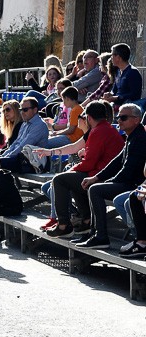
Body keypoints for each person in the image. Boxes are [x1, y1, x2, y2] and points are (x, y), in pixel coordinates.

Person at [38, 101, 123, 238]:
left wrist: (70, 171)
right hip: (104, 174)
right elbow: (80, 153)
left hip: (104, 177)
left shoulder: (98, 131)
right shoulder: (105, 128)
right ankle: (86, 220)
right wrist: (51, 153)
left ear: (89, 118)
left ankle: (63, 225)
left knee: (60, 180)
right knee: (73, 179)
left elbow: (89, 163)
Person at [74, 103, 146, 249]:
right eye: (118, 117)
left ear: (136, 120)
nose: (119, 120)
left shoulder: (140, 138)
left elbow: (128, 171)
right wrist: (96, 178)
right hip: (129, 182)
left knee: (95, 190)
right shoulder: (132, 136)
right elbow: (116, 162)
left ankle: (101, 236)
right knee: (94, 186)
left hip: (134, 185)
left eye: (123, 118)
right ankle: (95, 233)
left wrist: (104, 182)